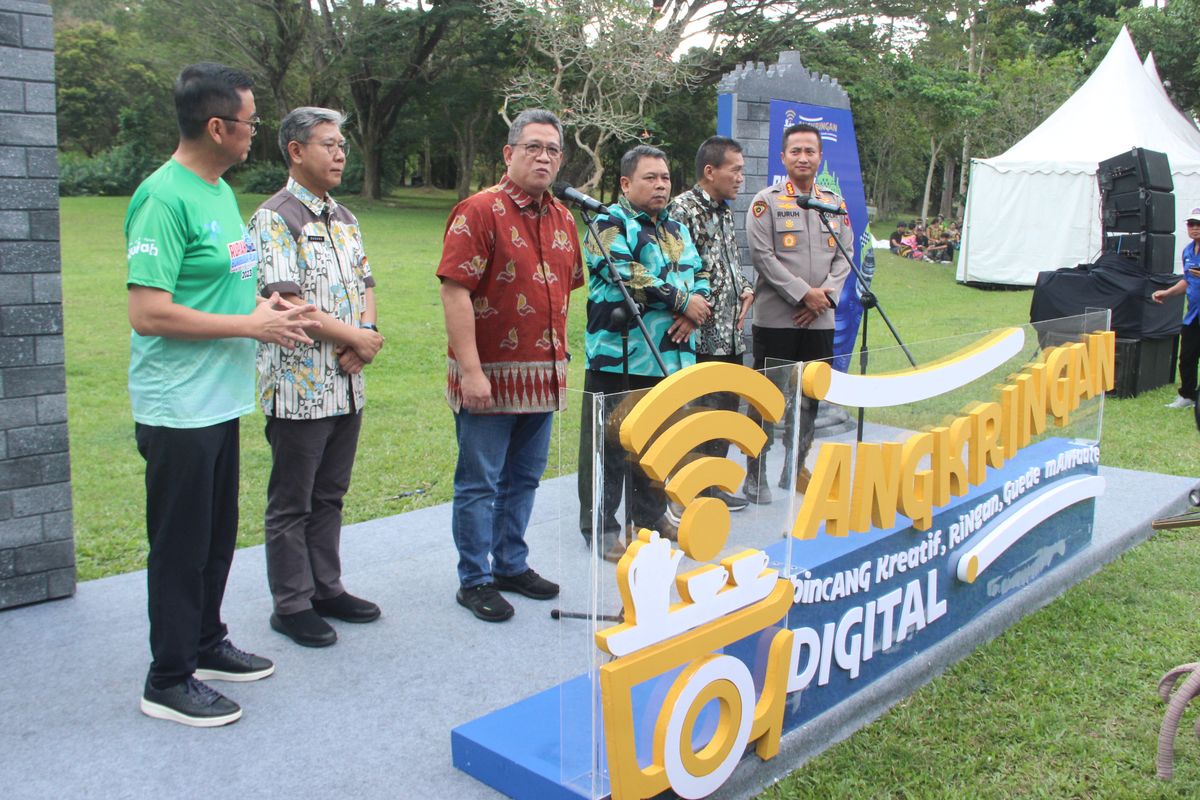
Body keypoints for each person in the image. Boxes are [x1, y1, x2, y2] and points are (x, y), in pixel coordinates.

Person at [126, 63, 318, 727]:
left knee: (214, 539)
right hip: (177, 407)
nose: (253, 133)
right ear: (217, 126)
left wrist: (269, 307)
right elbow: (148, 312)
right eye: (249, 123)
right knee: (179, 547)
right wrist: (250, 324)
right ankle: (168, 678)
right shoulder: (164, 196)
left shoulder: (214, 191)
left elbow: (215, 286)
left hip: (219, 400)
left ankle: (204, 643)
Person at [437, 109, 582, 623]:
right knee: (479, 482)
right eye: (533, 147)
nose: (544, 158)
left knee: (524, 479)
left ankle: (511, 564)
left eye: (553, 150)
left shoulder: (565, 218)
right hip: (489, 377)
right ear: (509, 153)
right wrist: (471, 371)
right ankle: (474, 579)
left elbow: (564, 291)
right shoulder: (478, 211)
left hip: (541, 377)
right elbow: (455, 293)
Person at [249, 107, 384, 648]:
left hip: (346, 381)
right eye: (327, 144)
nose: (339, 153)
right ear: (295, 151)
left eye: (342, 145)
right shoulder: (275, 217)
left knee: (330, 493)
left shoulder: (345, 218)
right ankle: (291, 603)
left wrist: (366, 334)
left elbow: (366, 282)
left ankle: (327, 588)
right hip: (298, 384)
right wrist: (353, 338)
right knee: (292, 499)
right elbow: (285, 301)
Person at [578, 145, 710, 560]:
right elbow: (625, 273)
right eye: (650, 177)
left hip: (670, 356)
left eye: (665, 178)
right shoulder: (607, 223)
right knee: (610, 447)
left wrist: (694, 313)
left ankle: (649, 519)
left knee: (657, 444)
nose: (660, 185)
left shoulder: (676, 229)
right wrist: (679, 301)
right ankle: (601, 527)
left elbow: (701, 272)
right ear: (625, 183)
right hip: (619, 355)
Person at [744, 123, 852, 504]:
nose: (803, 157)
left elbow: (845, 255)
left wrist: (824, 297)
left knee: (810, 396)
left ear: (820, 157)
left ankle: (796, 464)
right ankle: (755, 474)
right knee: (767, 398)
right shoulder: (766, 201)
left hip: (820, 318)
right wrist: (803, 294)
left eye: (810, 151)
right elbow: (762, 257)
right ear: (783, 158)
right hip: (777, 319)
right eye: (796, 151)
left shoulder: (834, 203)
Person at [667, 136, 753, 512]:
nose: (740, 178)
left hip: (730, 335)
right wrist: (687, 309)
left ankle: (713, 485)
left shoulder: (724, 209)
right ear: (709, 171)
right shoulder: (682, 210)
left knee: (725, 413)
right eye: (735, 170)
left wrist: (746, 288)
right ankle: (686, 491)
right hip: (699, 336)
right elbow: (674, 268)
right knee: (697, 414)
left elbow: (728, 262)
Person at [1152, 207, 1200, 409]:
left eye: (1199, 225)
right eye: (1192, 224)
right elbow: (1188, 281)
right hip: (1193, 315)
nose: (1195, 228)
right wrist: (1168, 292)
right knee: (1187, 356)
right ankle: (1187, 396)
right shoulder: (1188, 251)